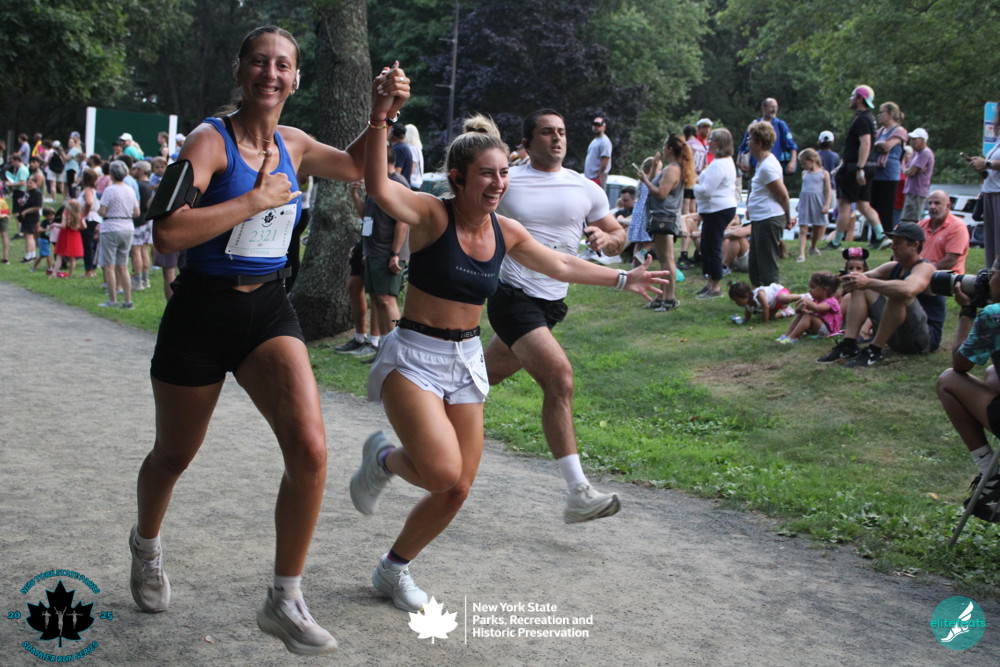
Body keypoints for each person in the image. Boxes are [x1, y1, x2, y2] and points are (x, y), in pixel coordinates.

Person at [129, 26, 410, 655]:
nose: (271, 73)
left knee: (310, 450)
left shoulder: (294, 144)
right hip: (201, 315)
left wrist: (380, 114)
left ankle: (284, 598)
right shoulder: (210, 141)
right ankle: (146, 546)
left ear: (296, 79)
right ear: (240, 70)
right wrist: (254, 199)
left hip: (268, 312)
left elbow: (356, 167)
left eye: (283, 65)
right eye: (259, 62)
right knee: (173, 455)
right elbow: (168, 233)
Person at [350, 88, 666, 614]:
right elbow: (379, 185)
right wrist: (382, 117)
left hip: (465, 361)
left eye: (503, 174)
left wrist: (621, 279)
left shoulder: (506, 231)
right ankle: (383, 458)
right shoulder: (431, 215)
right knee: (442, 472)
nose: (498, 183)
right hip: (414, 357)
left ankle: (393, 569)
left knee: (457, 487)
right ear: (458, 178)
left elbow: (560, 264)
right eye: (486, 175)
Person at [484, 108, 634, 522]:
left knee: (473, 382)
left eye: (562, 132)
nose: (557, 138)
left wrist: (607, 238)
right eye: (547, 132)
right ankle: (578, 492)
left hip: (551, 305)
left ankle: (395, 455)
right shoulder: (508, 182)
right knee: (560, 379)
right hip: (512, 296)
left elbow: (617, 235)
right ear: (527, 142)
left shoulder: (586, 188)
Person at [817, 222, 939, 367]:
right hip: (898, 337)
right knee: (859, 283)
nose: (893, 247)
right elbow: (860, 278)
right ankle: (849, 345)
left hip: (922, 340)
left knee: (898, 292)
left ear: (914, 245)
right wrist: (838, 282)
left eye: (898, 243)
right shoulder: (893, 267)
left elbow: (909, 289)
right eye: (893, 242)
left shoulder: (925, 268)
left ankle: (874, 351)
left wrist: (868, 282)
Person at [936, 258, 1000, 521]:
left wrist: (967, 311)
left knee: (948, 381)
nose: (987, 278)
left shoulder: (994, 315)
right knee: (992, 374)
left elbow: (960, 364)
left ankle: (990, 474)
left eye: (992, 273)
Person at [349, 149, 410, 362]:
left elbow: (402, 221)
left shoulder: (398, 183)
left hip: (388, 252)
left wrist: (395, 253)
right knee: (377, 299)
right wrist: (355, 195)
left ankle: (399, 352)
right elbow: (366, 216)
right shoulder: (376, 184)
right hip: (373, 251)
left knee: (386, 300)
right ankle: (384, 350)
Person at [637, 133, 692, 311]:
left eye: (664, 146)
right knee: (663, 259)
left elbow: (661, 193)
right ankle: (661, 298)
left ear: (669, 149)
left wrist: (644, 180)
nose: (662, 149)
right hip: (661, 217)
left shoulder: (672, 169)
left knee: (667, 259)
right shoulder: (671, 168)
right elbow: (656, 184)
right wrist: (654, 166)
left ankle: (670, 298)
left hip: (665, 218)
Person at [827, 85, 883, 250]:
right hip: (869, 165)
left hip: (856, 167)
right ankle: (881, 235)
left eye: (853, 96)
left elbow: (865, 143)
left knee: (844, 203)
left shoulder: (862, 120)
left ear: (860, 98)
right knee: (863, 204)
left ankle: (836, 241)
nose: (850, 99)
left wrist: (859, 168)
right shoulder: (869, 118)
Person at [692, 127, 738, 298]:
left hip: (718, 209)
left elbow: (706, 190)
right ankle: (709, 283)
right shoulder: (721, 162)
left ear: (718, 143)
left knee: (713, 247)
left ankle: (716, 287)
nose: (708, 142)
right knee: (706, 246)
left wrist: (693, 186)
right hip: (714, 209)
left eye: (711, 139)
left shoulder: (719, 164)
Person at [745, 121, 790, 288]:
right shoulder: (762, 163)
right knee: (755, 265)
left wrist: (788, 218)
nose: (747, 142)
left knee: (767, 265)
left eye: (750, 139)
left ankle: (773, 296)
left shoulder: (767, 167)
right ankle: (759, 296)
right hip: (761, 218)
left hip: (768, 218)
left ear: (759, 143)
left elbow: (783, 195)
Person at [97, 161, 138, 308]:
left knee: (109, 265)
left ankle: (112, 300)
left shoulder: (110, 190)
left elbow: (102, 211)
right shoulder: (130, 190)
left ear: (112, 174)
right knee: (123, 266)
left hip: (111, 227)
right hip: (127, 226)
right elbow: (136, 212)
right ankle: (128, 300)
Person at [870, 101, 908, 241]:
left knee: (885, 208)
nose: (879, 115)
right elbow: (873, 144)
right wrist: (877, 145)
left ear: (891, 113)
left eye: (882, 112)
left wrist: (878, 145)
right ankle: (875, 237)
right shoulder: (880, 131)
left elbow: (886, 147)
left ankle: (886, 237)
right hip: (876, 172)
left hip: (889, 174)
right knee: (874, 206)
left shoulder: (899, 131)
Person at [737, 97, 798, 176]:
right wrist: (739, 160)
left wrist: (792, 162)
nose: (774, 110)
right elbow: (744, 145)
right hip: (755, 168)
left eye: (776, 107)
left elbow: (792, 146)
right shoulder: (755, 124)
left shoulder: (780, 125)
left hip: (773, 167)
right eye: (772, 107)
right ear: (763, 108)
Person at [776, 272, 842, 343]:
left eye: (813, 287)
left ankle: (792, 338)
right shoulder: (816, 300)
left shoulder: (831, 301)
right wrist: (800, 309)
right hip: (818, 327)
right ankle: (786, 335)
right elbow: (798, 312)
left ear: (825, 290)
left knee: (808, 316)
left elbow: (818, 308)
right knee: (803, 314)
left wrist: (806, 301)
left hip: (828, 331)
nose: (809, 290)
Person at [918, 190, 969, 276]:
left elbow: (950, 261)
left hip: (945, 276)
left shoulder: (957, 227)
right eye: (930, 203)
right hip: (920, 272)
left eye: (937, 203)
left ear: (948, 206)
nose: (932, 206)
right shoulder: (922, 224)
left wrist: (923, 271)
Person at [794, 148, 832, 261]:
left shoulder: (824, 174)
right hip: (805, 202)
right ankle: (801, 254)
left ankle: (813, 246)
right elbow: (803, 190)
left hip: (817, 202)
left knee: (817, 227)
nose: (803, 166)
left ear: (812, 160)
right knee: (803, 228)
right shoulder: (804, 174)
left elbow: (828, 191)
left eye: (804, 163)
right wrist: (799, 203)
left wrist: (827, 204)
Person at [627, 156, 656, 267]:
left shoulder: (640, 182)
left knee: (639, 242)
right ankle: (641, 253)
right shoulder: (649, 182)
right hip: (645, 214)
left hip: (638, 213)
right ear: (650, 169)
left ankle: (635, 265)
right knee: (654, 239)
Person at [901, 128, 934, 223]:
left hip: (917, 193)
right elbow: (907, 169)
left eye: (915, 139)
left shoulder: (925, 153)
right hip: (911, 191)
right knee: (906, 219)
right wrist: (909, 170)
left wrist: (909, 170)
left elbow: (911, 172)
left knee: (912, 220)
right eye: (911, 139)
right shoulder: (916, 153)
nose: (912, 142)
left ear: (923, 140)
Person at [728, 280, 800, 323]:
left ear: (746, 295)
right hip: (774, 305)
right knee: (771, 317)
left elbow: (766, 307)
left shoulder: (759, 294)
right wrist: (742, 321)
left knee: (784, 299)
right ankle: (786, 312)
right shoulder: (748, 305)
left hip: (779, 293)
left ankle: (802, 296)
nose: (737, 303)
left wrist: (765, 322)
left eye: (738, 301)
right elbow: (747, 316)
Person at [131, 160, 154, 291]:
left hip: (139, 221)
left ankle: (138, 280)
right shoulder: (150, 185)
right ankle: (146, 279)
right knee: (144, 250)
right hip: (147, 220)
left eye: (135, 169)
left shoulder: (138, 185)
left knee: (136, 251)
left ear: (140, 170)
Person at [51, 200, 84, 278]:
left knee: (59, 255)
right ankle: (70, 275)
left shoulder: (65, 214)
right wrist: (77, 227)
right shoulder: (79, 215)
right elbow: (84, 226)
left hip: (65, 235)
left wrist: (54, 224)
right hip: (75, 235)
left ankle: (54, 273)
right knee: (72, 257)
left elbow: (63, 226)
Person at [78, 168, 101, 278]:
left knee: (87, 245)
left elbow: (89, 202)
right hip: (94, 218)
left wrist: (84, 214)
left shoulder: (87, 190)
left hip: (89, 218)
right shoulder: (93, 190)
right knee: (91, 244)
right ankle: (92, 268)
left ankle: (89, 270)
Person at [584, 115, 612, 190]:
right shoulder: (595, 141)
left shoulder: (604, 141)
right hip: (590, 177)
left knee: (597, 195)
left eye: (598, 125)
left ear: (604, 127)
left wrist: (599, 175)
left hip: (597, 177)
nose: (596, 127)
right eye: (594, 125)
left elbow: (605, 159)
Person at [405, 124, 424, 191]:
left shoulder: (412, 148)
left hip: (412, 182)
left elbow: (412, 166)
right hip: (417, 182)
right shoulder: (418, 148)